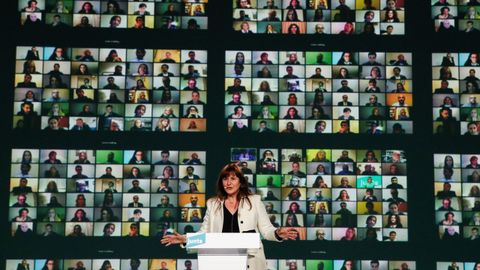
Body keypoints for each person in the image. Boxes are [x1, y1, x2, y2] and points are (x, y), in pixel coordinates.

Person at [161, 164, 298, 269]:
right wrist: (186, 239)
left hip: (250, 262)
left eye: (233, 178)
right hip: (220, 262)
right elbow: (205, 234)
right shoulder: (213, 204)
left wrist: (278, 232)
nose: (228, 183)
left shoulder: (255, 201)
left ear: (240, 182)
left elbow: (267, 230)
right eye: (225, 179)